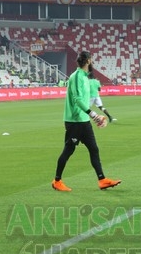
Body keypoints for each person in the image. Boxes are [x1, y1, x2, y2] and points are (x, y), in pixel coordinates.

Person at [51, 51, 121, 192]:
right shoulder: (76, 76)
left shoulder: (85, 77)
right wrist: (94, 115)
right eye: (91, 59)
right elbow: (77, 100)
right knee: (69, 150)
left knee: (94, 149)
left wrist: (91, 116)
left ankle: (102, 180)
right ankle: (57, 181)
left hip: (83, 120)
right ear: (88, 60)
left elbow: (83, 100)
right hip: (74, 121)